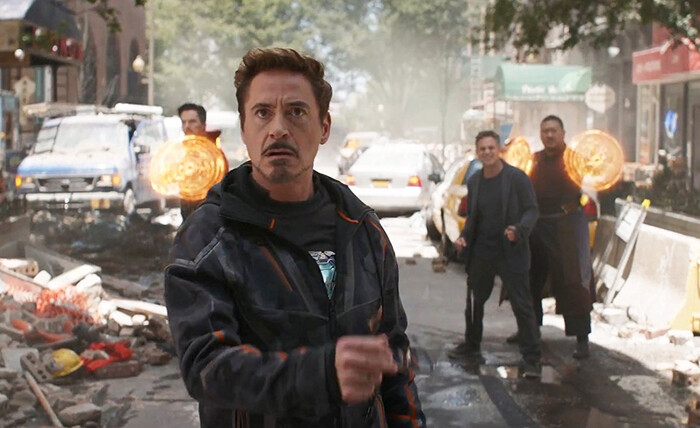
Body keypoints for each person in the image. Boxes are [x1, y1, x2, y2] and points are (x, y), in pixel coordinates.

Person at [164, 47, 426, 428]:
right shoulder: (209, 239)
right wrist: (322, 375)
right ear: (244, 129)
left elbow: (394, 358)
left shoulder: (362, 230)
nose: (278, 128)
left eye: (297, 112)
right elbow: (207, 367)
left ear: (324, 127)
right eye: (262, 112)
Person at [448, 130, 542, 377]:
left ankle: (532, 358)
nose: (487, 152)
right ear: (477, 152)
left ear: (499, 150)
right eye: (483, 149)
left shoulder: (516, 178)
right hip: (482, 251)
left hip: (511, 251)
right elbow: (473, 217)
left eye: (491, 148)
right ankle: (472, 345)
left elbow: (532, 210)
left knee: (522, 305)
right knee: (475, 301)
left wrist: (519, 230)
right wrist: (464, 237)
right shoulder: (475, 181)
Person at [528, 115, 595, 359]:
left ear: (563, 133)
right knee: (530, 279)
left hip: (567, 225)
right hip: (538, 224)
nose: (549, 135)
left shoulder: (576, 160)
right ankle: (530, 331)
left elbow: (598, 180)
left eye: (553, 130)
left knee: (574, 282)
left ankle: (581, 339)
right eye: (545, 131)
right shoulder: (533, 160)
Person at [176, 102, 229, 220]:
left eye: (192, 122)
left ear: (203, 125)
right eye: (183, 122)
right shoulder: (185, 151)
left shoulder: (213, 154)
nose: (187, 126)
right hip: (188, 214)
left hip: (208, 215)